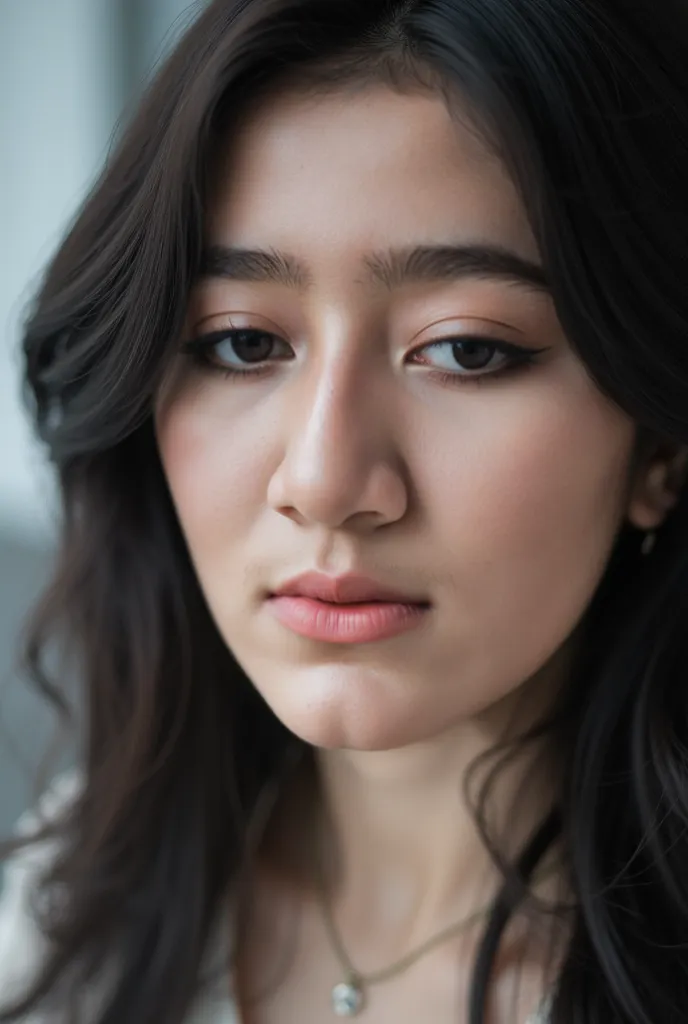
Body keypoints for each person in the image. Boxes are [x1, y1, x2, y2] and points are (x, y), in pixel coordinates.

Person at [2, 0, 688, 1020]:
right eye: (241, 342)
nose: (323, 479)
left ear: (658, 447)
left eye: (466, 348)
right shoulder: (65, 906)